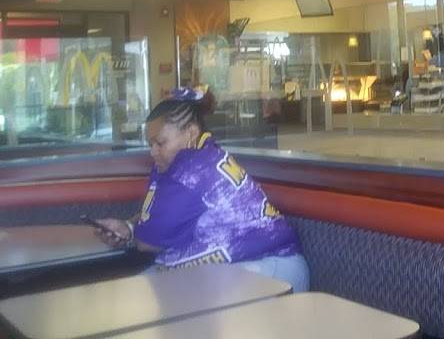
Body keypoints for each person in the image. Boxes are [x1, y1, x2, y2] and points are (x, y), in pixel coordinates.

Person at [95, 87, 309, 292]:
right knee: (138, 292)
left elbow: (147, 242)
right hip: (239, 267)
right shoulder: (183, 162)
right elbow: (152, 219)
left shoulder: (193, 169)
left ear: (191, 133)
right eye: (150, 144)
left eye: (160, 143)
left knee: (151, 297)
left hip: (272, 268)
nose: (153, 152)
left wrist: (130, 232)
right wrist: (128, 226)